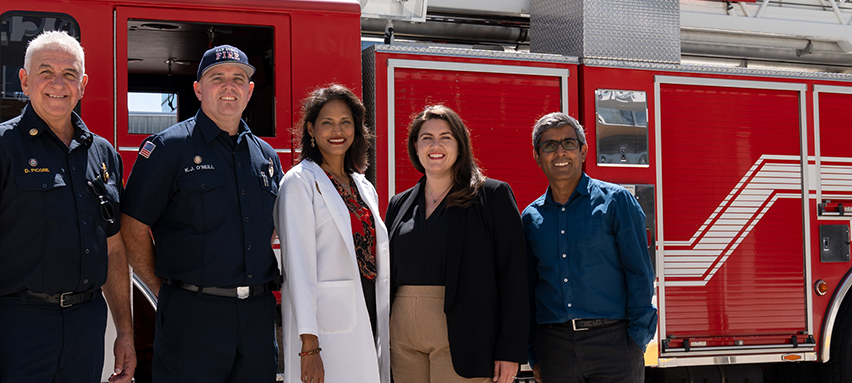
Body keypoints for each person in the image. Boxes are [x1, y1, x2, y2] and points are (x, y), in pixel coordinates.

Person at [0, 31, 136, 383]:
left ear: (82, 84)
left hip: (87, 324)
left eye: (68, 75)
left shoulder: (104, 154)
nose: (57, 84)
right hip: (18, 326)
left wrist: (124, 331)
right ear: (24, 80)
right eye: (45, 71)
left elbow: (113, 247)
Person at [122, 44, 283, 383]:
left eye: (239, 79)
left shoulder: (266, 156)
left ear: (250, 90)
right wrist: (162, 290)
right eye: (217, 78)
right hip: (192, 316)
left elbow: (271, 228)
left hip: (256, 316)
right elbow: (131, 224)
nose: (229, 86)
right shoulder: (168, 148)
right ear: (198, 89)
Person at [385, 104, 527, 383]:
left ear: (461, 145)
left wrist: (510, 351)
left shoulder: (492, 196)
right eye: (426, 138)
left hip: (466, 335)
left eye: (445, 137)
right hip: (401, 337)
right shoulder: (398, 204)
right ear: (415, 146)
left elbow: (514, 277)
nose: (435, 145)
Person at [522, 112, 656, 383]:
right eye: (549, 145)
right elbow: (526, 290)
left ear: (583, 151)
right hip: (554, 348)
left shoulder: (617, 202)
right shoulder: (530, 218)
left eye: (568, 143)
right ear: (537, 156)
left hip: (615, 344)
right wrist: (533, 353)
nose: (560, 152)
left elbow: (640, 275)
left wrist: (636, 340)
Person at [276, 85, 390, 383]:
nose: (337, 130)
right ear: (311, 129)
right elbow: (297, 267)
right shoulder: (299, 182)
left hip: (367, 308)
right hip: (322, 328)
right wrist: (309, 346)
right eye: (327, 122)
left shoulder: (362, 185)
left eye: (346, 122)